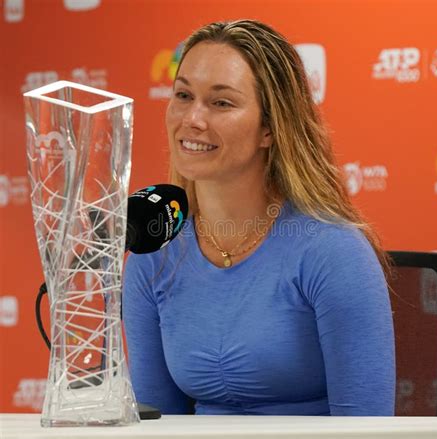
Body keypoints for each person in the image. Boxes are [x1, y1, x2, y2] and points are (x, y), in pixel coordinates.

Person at [123, 19, 395, 416]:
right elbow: (156, 422)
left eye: (221, 102)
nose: (192, 119)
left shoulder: (333, 252)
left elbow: (365, 428)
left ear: (269, 127)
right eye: (183, 95)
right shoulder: (153, 254)